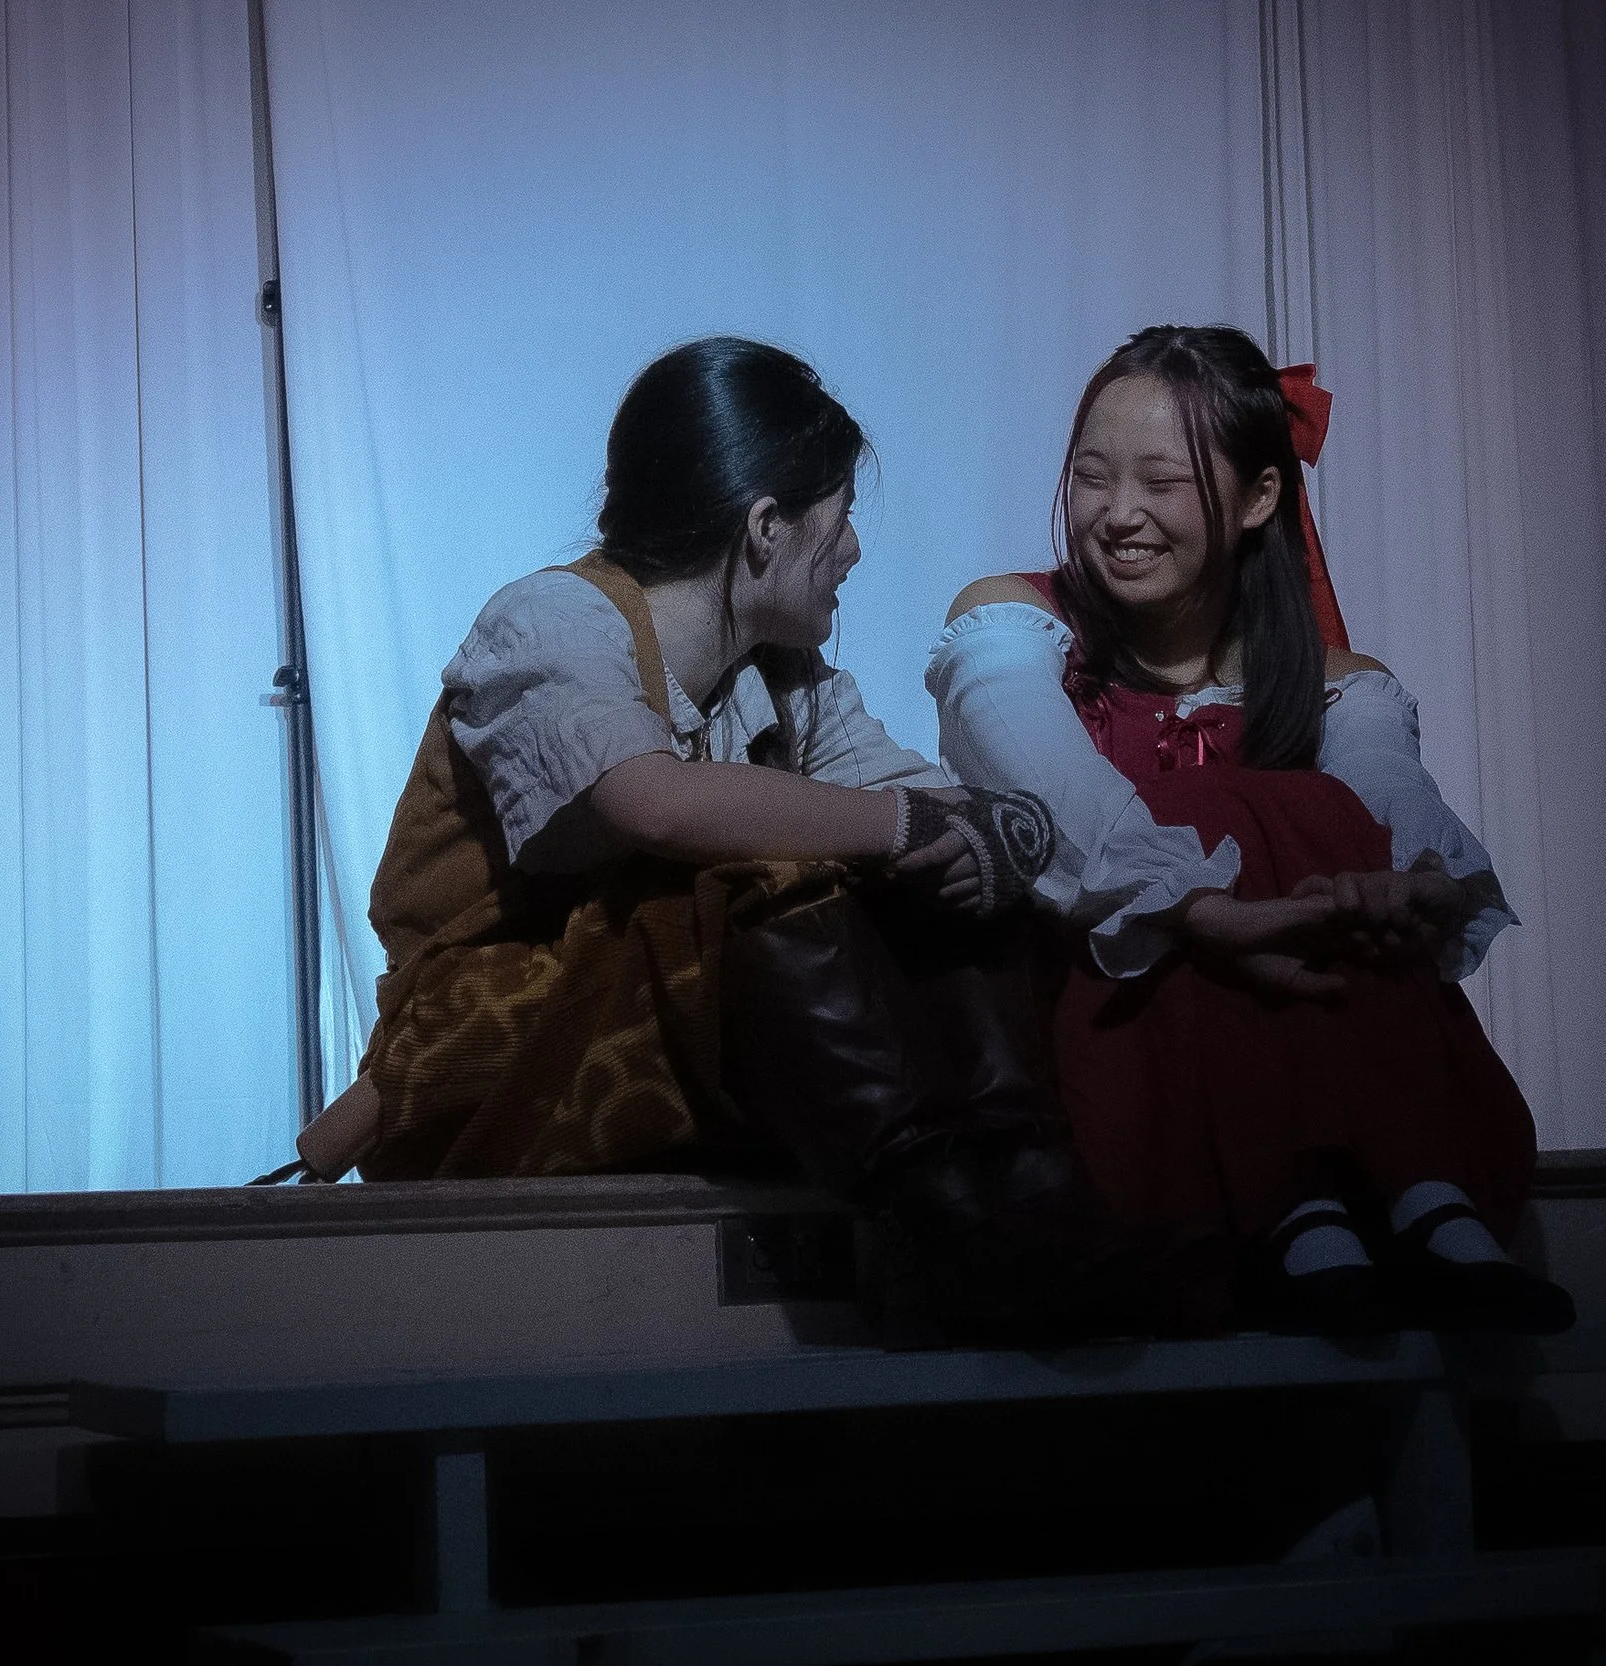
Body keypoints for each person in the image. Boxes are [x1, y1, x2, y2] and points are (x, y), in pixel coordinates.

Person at [278, 336, 1211, 1340]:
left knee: (939, 877)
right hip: (482, 1063)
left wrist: (986, 837)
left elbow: (938, 809)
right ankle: (937, 1224)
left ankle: (1029, 1197)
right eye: (842, 518)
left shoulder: (786, 681)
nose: (852, 552)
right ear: (766, 528)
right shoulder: (554, 619)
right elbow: (652, 802)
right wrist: (898, 826)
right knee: (776, 865)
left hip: (672, 1040)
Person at [923, 324, 1571, 1334]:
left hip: (1339, 1061)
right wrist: (1198, 908)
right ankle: (1314, 1207)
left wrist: (1402, 885)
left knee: (1326, 816)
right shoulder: (1013, 627)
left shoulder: (1338, 686)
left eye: (1160, 482)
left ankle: (1398, 1202)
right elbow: (1060, 797)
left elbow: (1389, 805)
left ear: (1259, 497)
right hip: (1114, 1055)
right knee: (1196, 819)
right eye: (1093, 477)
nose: (1118, 514)